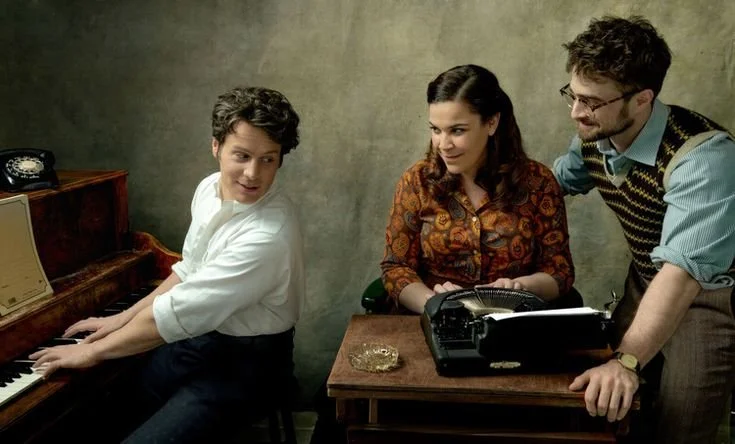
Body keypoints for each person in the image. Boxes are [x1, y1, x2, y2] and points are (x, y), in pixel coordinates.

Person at [31, 86, 305, 443]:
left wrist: (91, 351)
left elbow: (174, 315)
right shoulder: (209, 188)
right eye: (242, 155)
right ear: (216, 147)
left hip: (249, 364)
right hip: (200, 341)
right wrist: (121, 317)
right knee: (99, 416)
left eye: (268, 159)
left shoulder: (267, 236)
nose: (253, 173)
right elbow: (189, 271)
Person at [553, 15, 735, 444]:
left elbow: (681, 274)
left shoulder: (705, 157)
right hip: (644, 281)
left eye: (591, 102)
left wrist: (627, 361)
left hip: (710, 296)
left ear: (641, 100)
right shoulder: (595, 133)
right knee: (614, 415)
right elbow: (551, 184)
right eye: (573, 96)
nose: (577, 112)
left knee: (680, 424)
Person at [380, 64, 575, 314]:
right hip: (435, 319)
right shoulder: (417, 181)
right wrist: (435, 304)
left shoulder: (539, 183)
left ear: (491, 123)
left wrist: (519, 287)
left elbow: (559, 271)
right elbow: (396, 268)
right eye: (436, 130)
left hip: (512, 320)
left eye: (457, 130)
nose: (443, 144)